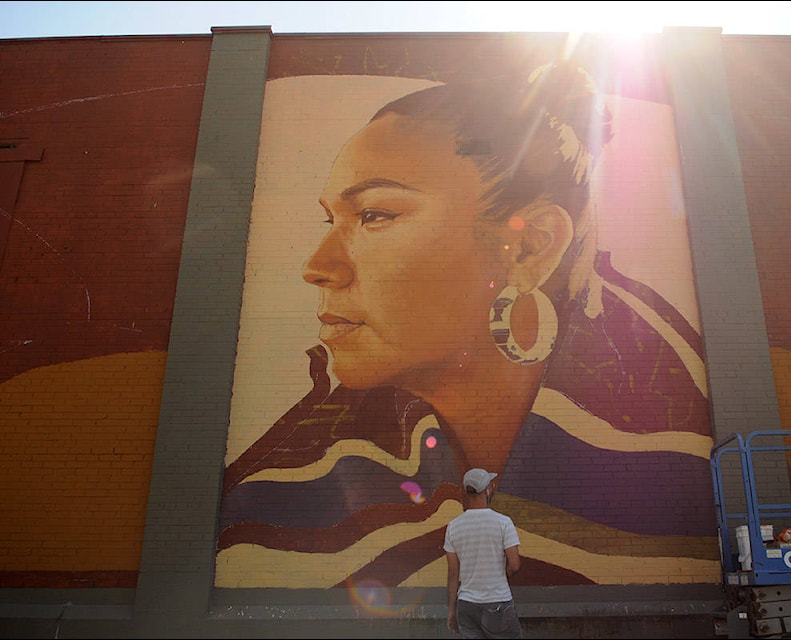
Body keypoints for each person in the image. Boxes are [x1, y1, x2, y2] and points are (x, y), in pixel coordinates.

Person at [216, 60, 717, 589]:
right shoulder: (296, 474)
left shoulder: (676, 449)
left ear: (528, 247)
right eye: (330, 220)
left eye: (374, 215)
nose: (317, 267)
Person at [444, 468, 523, 638]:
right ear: (488, 490)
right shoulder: (503, 523)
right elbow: (515, 565)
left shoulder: (454, 526)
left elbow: (452, 572)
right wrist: (503, 575)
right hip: (497, 602)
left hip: (466, 604)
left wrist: (452, 609)